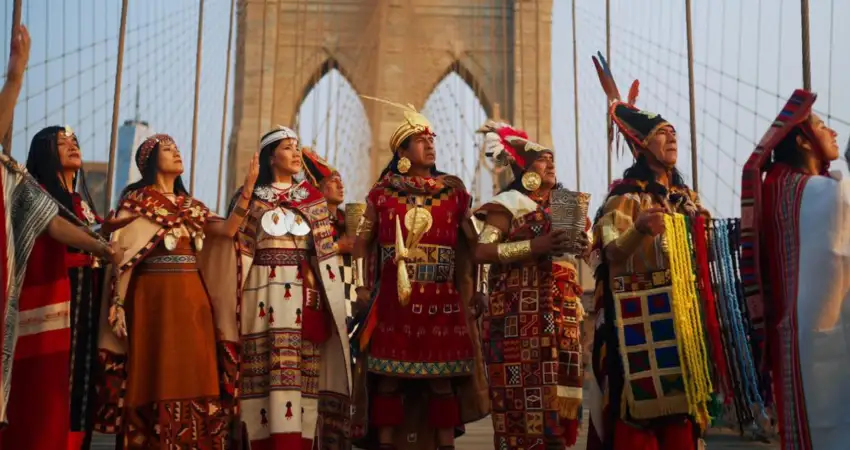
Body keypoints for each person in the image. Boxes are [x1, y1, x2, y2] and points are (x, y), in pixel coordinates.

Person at [93, 134, 258, 448]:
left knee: (195, 371)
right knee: (155, 372)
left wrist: (247, 191)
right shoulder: (136, 202)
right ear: (151, 160)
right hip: (151, 301)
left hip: (192, 300)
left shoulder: (191, 207)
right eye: (168, 150)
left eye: (177, 148)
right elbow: (120, 253)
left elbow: (226, 231)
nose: (176, 153)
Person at [0, 25, 123, 446]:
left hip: (84, 304)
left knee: (78, 395)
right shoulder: (30, 190)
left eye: (74, 139)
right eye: (61, 140)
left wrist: (101, 236)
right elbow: (53, 227)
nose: (71, 143)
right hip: (52, 306)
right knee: (49, 396)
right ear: (44, 151)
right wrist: (103, 247)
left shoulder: (85, 204)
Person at [586, 57, 711, 450]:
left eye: (674, 133)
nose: (671, 138)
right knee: (639, 416)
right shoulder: (623, 197)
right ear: (642, 144)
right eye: (661, 133)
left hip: (682, 322)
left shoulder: (686, 199)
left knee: (682, 415)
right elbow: (609, 251)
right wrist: (638, 230)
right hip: (637, 322)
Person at [350, 98, 488, 450]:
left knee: (441, 384)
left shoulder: (455, 192)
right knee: (388, 383)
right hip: (394, 302)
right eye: (421, 139)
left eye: (433, 139)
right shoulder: (381, 195)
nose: (430, 145)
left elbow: (476, 246)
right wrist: (362, 288)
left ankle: (445, 446)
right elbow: (361, 244)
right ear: (403, 151)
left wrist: (480, 288)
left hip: (442, 301)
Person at [220, 127, 351, 450]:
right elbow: (232, 242)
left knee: (300, 376)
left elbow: (324, 256)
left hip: (301, 298)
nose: (296, 154)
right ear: (270, 156)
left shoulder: (312, 199)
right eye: (288, 148)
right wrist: (249, 189)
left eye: (297, 147)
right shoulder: (249, 195)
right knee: (260, 371)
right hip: (259, 292)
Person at [740, 89, 849, 449]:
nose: (833, 132)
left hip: (799, 338)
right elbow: (840, 211)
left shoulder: (782, 185)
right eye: (821, 126)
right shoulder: (798, 190)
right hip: (811, 345)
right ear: (803, 141)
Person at [473, 121, 590, 449]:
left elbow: (589, 249)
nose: (550, 164)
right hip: (518, 323)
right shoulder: (508, 204)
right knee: (523, 409)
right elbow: (482, 251)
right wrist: (531, 248)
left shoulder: (567, 204)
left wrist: (584, 245)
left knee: (559, 408)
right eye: (542, 159)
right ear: (524, 168)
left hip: (562, 317)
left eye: (552, 159)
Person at [302, 147, 357, 317]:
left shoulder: (346, 219)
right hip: (323, 294)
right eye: (334, 181)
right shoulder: (308, 218)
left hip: (351, 297)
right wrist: (339, 247)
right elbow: (304, 253)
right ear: (320, 186)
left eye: (341, 180)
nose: (341, 186)